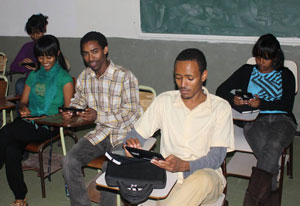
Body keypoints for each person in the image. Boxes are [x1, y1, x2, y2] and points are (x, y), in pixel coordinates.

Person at [124, 48, 234, 206]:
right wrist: (131, 143)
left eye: (190, 78)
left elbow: (216, 158)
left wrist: (185, 165)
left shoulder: (220, 108)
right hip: (168, 176)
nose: (183, 84)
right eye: (178, 78)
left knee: (200, 180)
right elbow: (136, 133)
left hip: (207, 178)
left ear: (203, 76)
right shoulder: (164, 101)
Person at [61, 31, 142, 206]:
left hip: (124, 136)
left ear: (105, 50)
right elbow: (79, 101)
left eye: (95, 51)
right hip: (100, 134)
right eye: (85, 53)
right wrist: (72, 110)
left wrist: (99, 116)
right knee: (69, 161)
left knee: (109, 168)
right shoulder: (85, 77)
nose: (90, 58)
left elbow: (131, 114)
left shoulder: (124, 76)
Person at [216, 34, 297, 206]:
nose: (260, 62)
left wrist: (262, 103)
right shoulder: (247, 70)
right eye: (258, 57)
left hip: (282, 119)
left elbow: (286, 105)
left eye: (265, 59)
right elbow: (221, 90)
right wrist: (234, 100)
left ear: (275, 58)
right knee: (270, 156)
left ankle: (251, 202)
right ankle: (272, 192)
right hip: (254, 120)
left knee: (273, 146)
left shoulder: (286, 75)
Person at [0, 35, 74, 206]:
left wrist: (63, 115)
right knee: (11, 149)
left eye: (49, 56)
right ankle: (20, 198)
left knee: (5, 131)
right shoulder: (34, 75)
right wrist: (23, 108)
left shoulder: (64, 79)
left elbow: (68, 110)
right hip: (29, 121)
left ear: (57, 54)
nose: (45, 61)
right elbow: (23, 101)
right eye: (41, 57)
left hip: (49, 125)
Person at [10, 13, 49, 96]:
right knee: (20, 83)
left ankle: (37, 108)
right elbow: (13, 67)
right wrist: (22, 64)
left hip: (45, 80)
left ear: (43, 30)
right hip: (30, 81)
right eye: (32, 34)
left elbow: (56, 67)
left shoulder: (49, 45)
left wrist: (37, 68)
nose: (35, 36)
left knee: (40, 85)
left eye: (38, 33)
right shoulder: (27, 47)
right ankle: (22, 108)